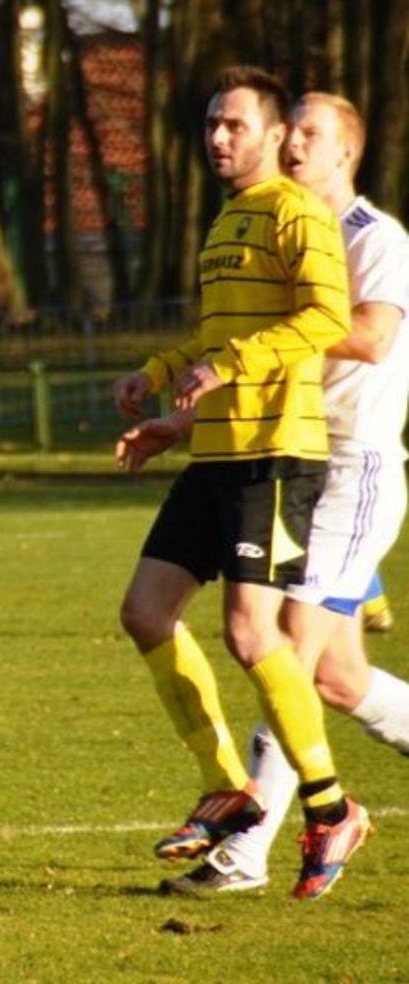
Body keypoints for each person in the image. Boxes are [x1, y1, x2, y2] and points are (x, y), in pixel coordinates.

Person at [119, 92, 406, 897]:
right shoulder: (247, 221)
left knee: (277, 642)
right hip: (245, 441)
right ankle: (249, 802)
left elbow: (370, 338)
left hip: (342, 462)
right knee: (336, 678)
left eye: (307, 133)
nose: (292, 146)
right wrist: (175, 402)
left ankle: (249, 849)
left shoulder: (370, 238)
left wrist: (261, 337)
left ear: (341, 148)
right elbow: (228, 337)